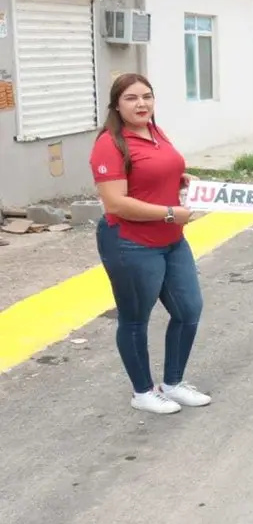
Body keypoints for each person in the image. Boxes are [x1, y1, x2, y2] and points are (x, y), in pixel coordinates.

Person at [91, 73, 208, 415]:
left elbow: (158, 171)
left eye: (147, 96)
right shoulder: (109, 144)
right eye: (131, 98)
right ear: (116, 105)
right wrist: (171, 212)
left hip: (171, 242)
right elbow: (116, 203)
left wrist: (182, 179)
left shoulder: (154, 132)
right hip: (131, 244)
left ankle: (172, 383)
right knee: (135, 318)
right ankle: (143, 391)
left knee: (189, 310)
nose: (141, 103)